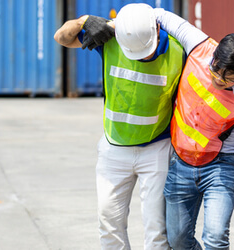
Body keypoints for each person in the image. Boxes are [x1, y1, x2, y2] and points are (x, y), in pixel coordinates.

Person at [150, 9, 234, 249]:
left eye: (227, 79)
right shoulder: (198, 45)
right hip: (180, 161)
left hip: (221, 165)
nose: (217, 79)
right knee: (178, 240)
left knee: (215, 239)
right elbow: (158, 14)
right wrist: (115, 25)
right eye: (215, 70)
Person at [54, 3, 185, 249]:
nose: (142, 57)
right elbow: (61, 37)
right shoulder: (110, 39)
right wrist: (83, 21)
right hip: (114, 147)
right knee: (108, 224)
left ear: (158, 29)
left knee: (157, 232)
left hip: (156, 148)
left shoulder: (179, 51)